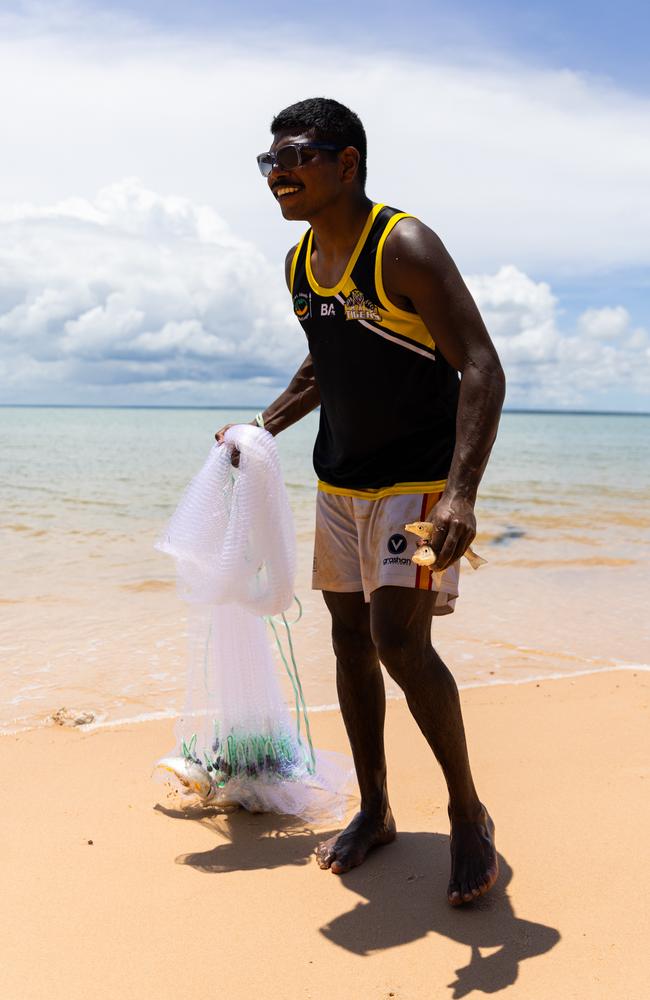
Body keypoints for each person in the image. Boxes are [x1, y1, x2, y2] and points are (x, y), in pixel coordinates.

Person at [216, 97, 505, 906]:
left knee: (399, 644)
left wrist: (461, 495)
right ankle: (377, 810)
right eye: (268, 160)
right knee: (348, 638)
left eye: (297, 156)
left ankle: (467, 812)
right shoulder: (300, 262)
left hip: (417, 479)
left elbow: (481, 365)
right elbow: (325, 364)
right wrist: (260, 426)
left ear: (347, 163)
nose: (279, 173)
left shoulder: (403, 245)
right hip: (340, 480)